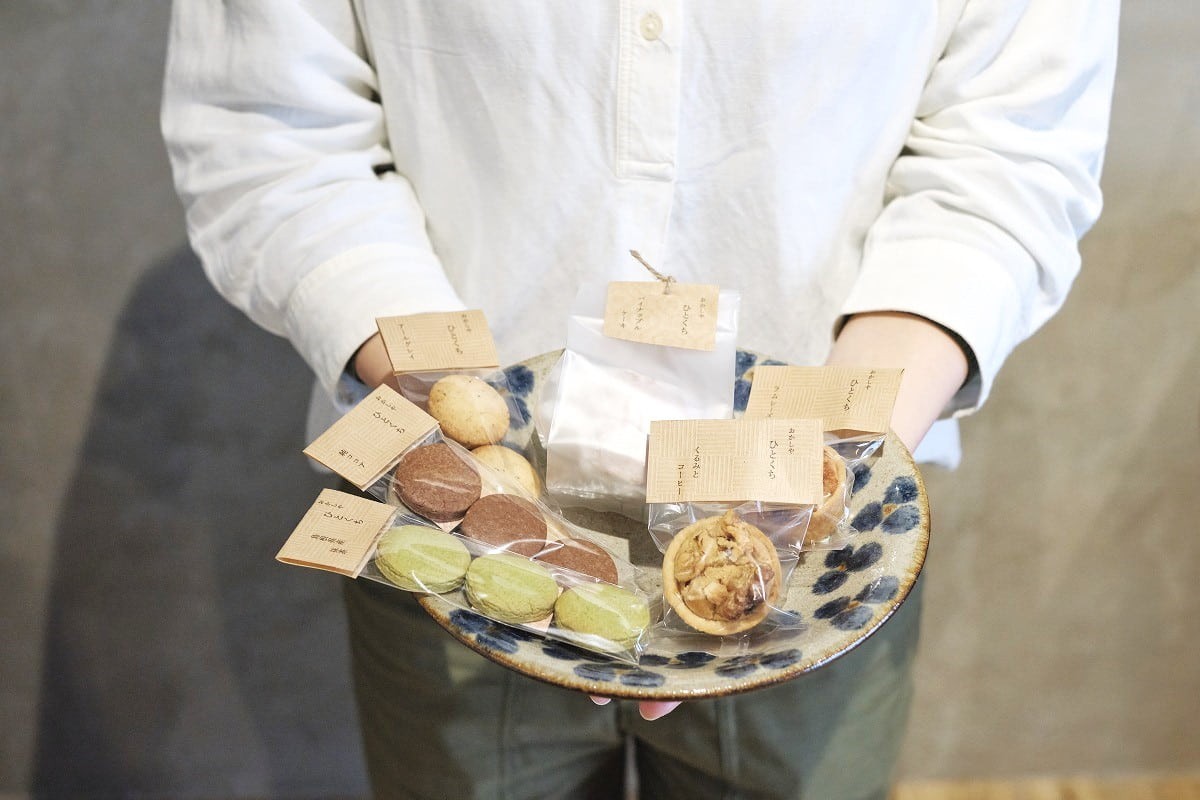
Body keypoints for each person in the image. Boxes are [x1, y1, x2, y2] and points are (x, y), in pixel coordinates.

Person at [161, 3, 1118, 798]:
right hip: (449, 546)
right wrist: (459, 418)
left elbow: (1005, 151)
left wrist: (815, 471)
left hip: (819, 570)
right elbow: (270, 126)